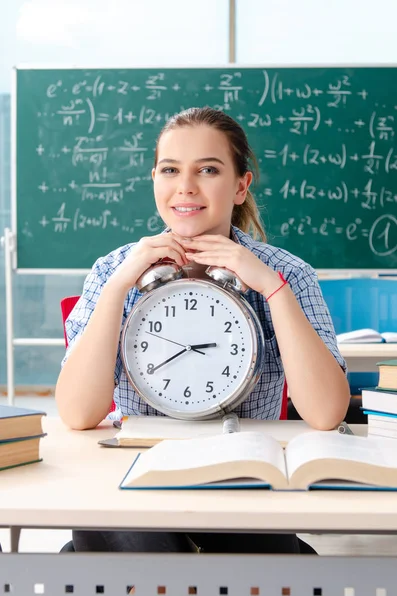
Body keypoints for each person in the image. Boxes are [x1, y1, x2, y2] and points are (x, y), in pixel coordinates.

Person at [56, 106, 350, 554]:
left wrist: (271, 286)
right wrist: (119, 287)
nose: (185, 187)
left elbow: (327, 412)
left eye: (207, 169)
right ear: (154, 178)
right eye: (170, 169)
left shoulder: (288, 273)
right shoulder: (112, 271)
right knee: (150, 559)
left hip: (242, 481)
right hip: (135, 475)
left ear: (240, 185)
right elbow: (78, 414)